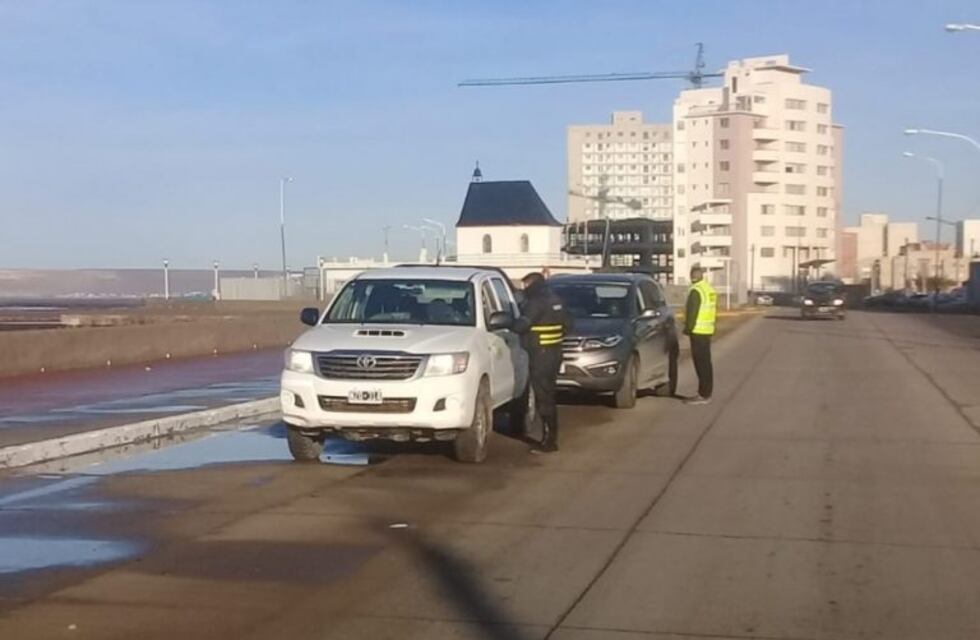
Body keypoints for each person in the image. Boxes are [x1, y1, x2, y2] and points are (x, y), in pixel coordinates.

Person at [518, 272, 570, 453]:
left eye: (525, 286)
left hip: (540, 354)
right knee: (549, 394)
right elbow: (568, 326)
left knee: (543, 397)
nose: (523, 289)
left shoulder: (535, 302)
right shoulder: (556, 300)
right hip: (554, 353)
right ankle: (551, 437)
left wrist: (510, 322)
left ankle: (549, 441)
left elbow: (521, 326)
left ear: (532, 285)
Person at [683, 266, 717, 405]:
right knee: (706, 363)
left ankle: (703, 394)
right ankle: (706, 392)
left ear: (692, 276)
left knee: (700, 364)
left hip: (697, 331)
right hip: (707, 330)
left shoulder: (696, 291)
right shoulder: (709, 289)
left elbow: (692, 312)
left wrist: (687, 329)